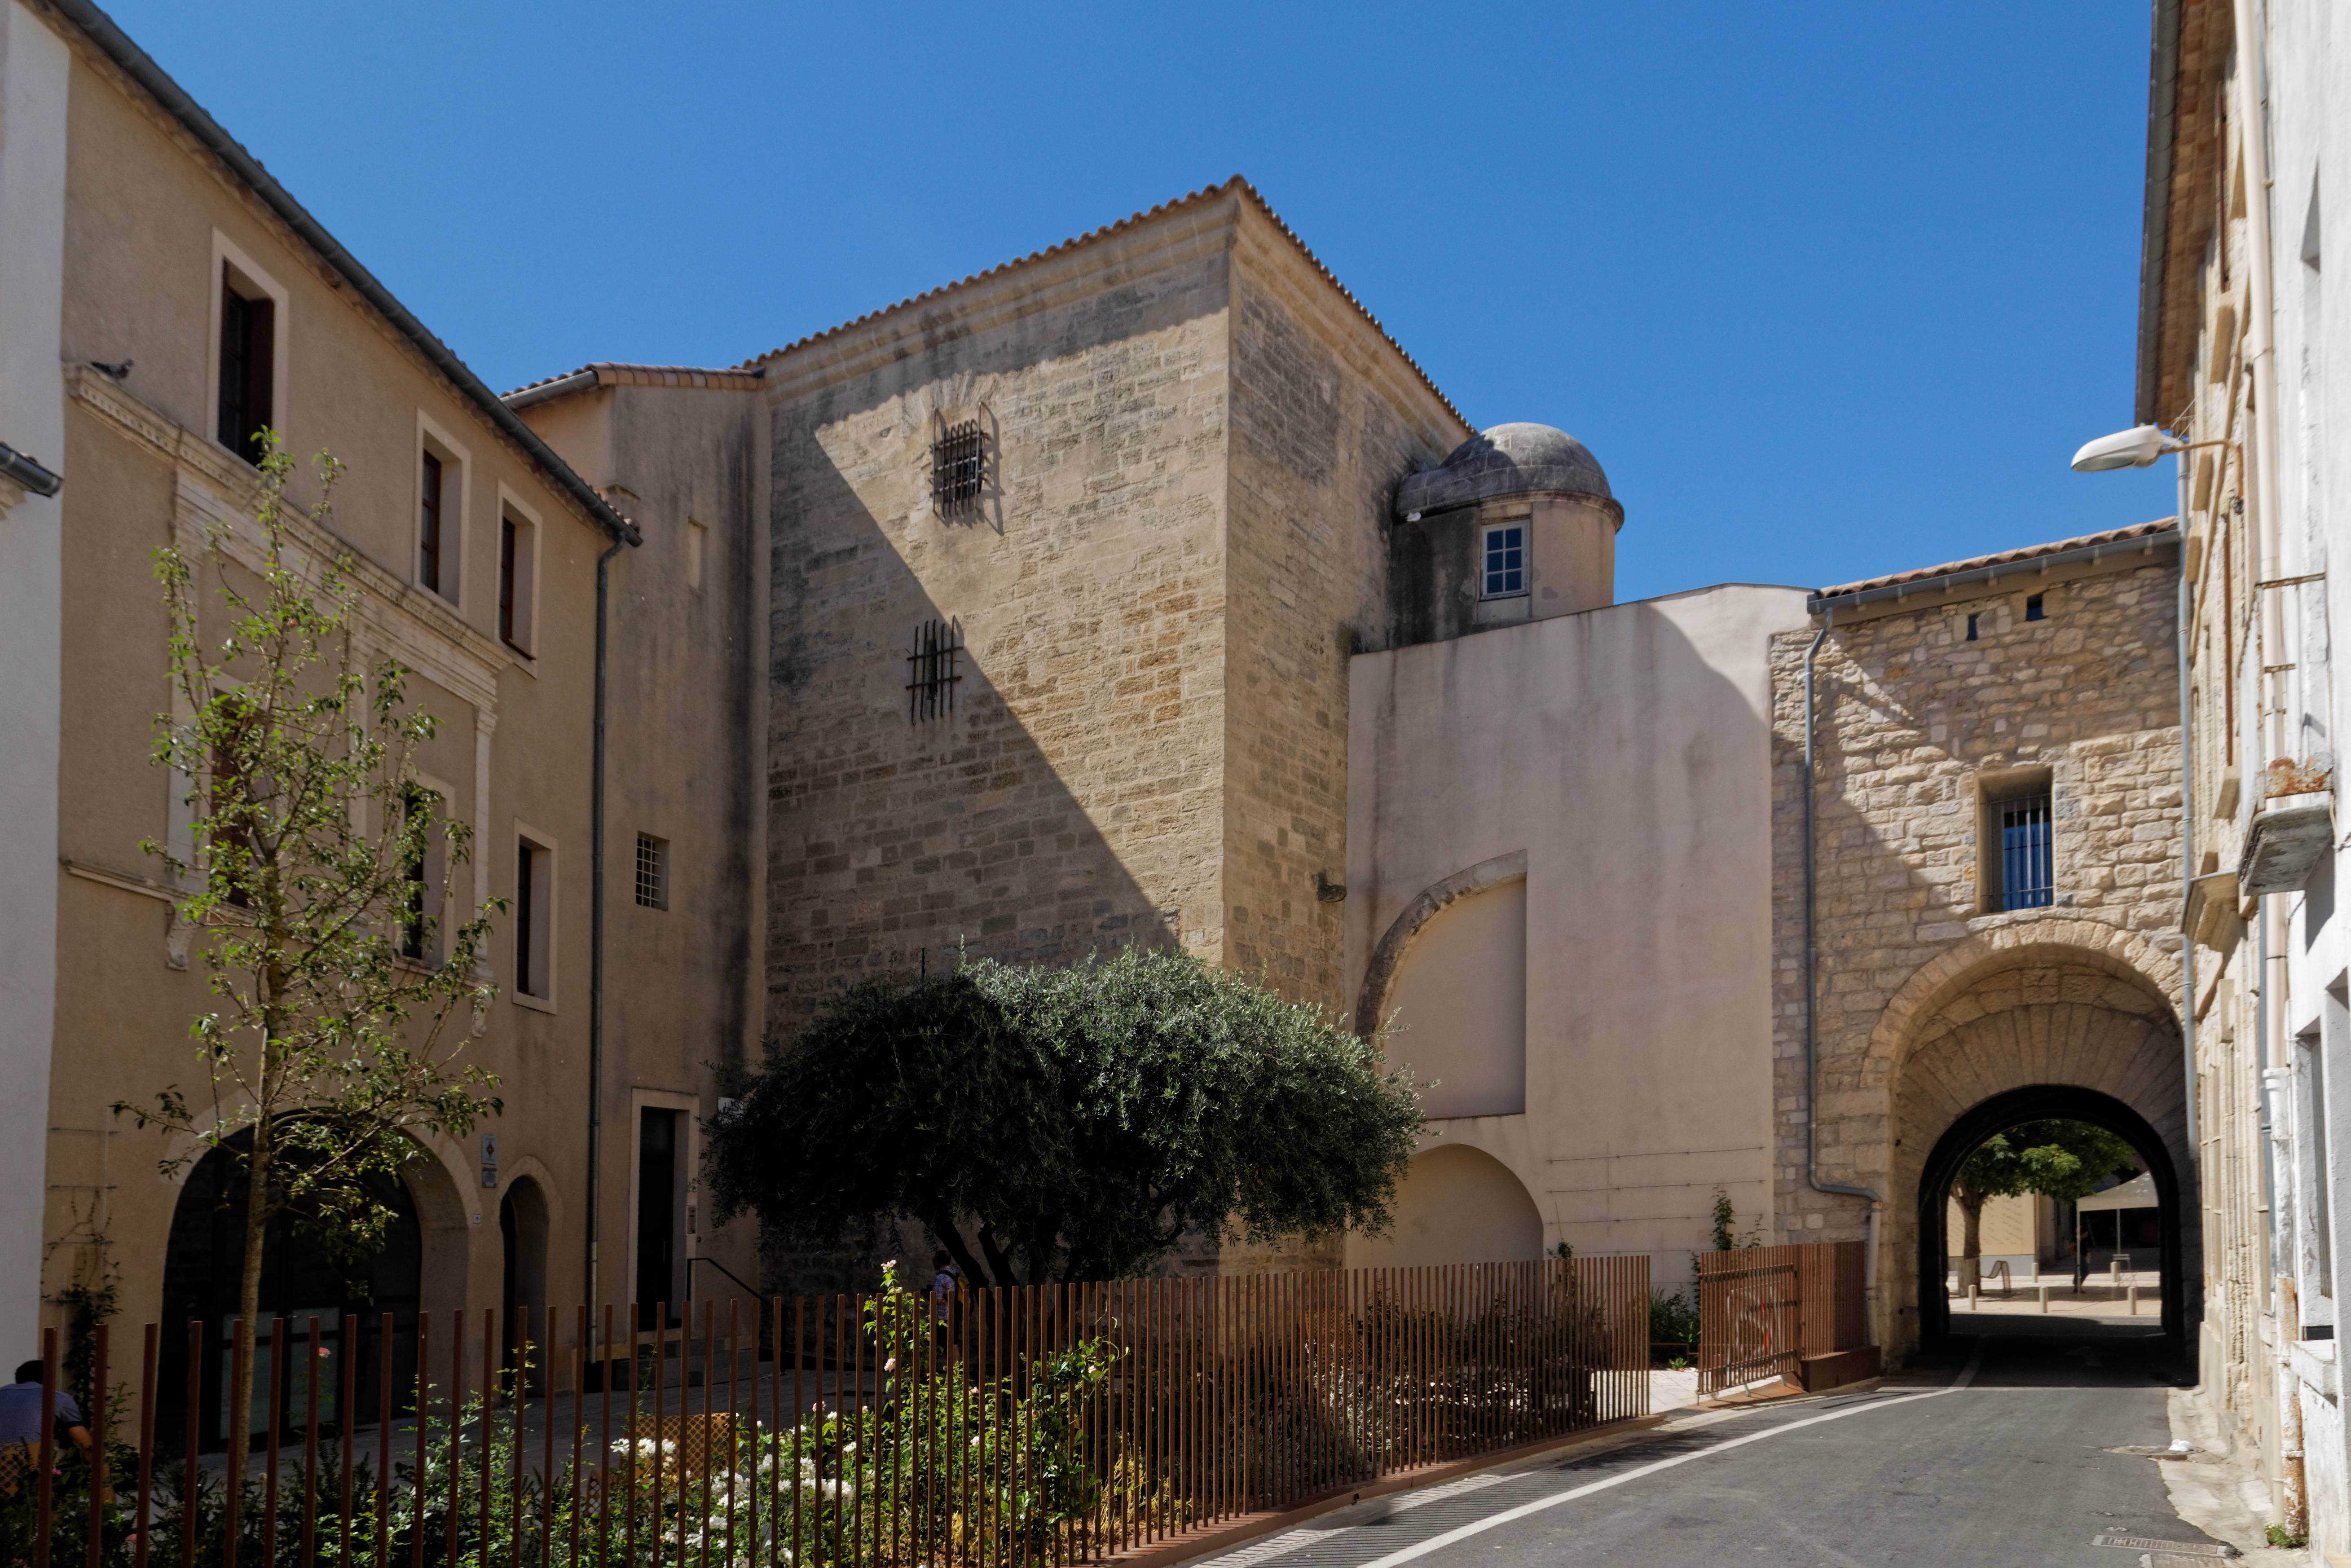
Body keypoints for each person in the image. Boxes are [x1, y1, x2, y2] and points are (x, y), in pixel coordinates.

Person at [0, 1360, 91, 1496]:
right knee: (100, 1465)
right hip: (27, 1480)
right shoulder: (58, 1398)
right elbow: (86, 1446)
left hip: (5, 1476)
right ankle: (108, 1507)